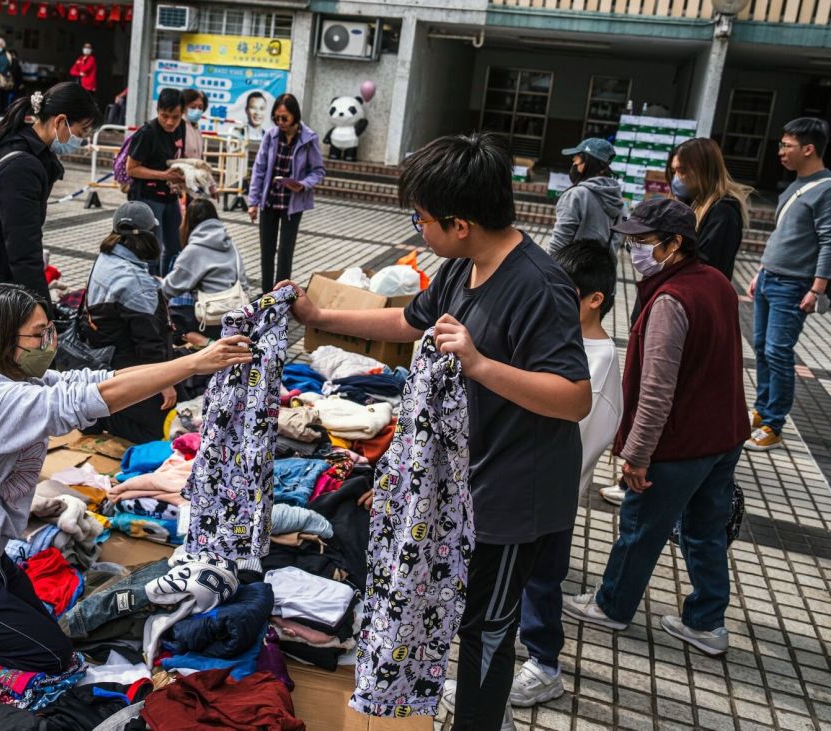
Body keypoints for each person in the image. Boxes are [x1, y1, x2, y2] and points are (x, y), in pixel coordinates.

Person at [287, 132, 591, 730]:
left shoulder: (540, 285)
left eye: (421, 219)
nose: (417, 230)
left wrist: (479, 364)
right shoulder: (461, 268)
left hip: (514, 496)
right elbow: (409, 322)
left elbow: (575, 397)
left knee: (487, 629)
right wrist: (317, 316)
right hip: (463, 484)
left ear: (460, 223)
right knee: (459, 613)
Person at [0, 282, 253, 693]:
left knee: (52, 634)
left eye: (49, 330)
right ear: (1, 340)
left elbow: (95, 381)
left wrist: (177, 368)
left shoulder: (15, 376)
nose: (49, 342)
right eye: (38, 335)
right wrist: (193, 365)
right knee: (53, 659)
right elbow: (87, 402)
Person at [564, 198, 749, 658]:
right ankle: (707, 623)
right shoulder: (716, 282)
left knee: (640, 526)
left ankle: (611, 605)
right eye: (631, 241)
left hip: (681, 443)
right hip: (724, 434)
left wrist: (638, 454)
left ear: (674, 244)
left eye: (643, 242)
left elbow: (656, 390)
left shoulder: (671, 299)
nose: (634, 251)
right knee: (705, 530)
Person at [510, 239, 623, 708]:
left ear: (595, 299)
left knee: (540, 580)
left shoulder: (601, 361)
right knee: (520, 578)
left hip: (549, 493)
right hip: (522, 482)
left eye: (563, 293)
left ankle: (544, 666)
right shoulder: (560, 337)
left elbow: (582, 437)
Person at [0, 83, 99, 331]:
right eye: (81, 131)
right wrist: (45, 314)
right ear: (60, 121)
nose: (82, 141)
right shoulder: (22, 166)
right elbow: (23, 251)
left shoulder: (19, 143)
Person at [747, 117, 831, 451]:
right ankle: (762, 409)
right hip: (770, 277)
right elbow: (783, 235)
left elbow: (829, 241)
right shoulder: (794, 184)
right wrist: (760, 270)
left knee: (778, 352)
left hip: (794, 285)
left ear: (808, 149)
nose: (780, 151)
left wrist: (817, 288)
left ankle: (774, 424)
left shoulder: (825, 189)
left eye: (787, 145)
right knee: (762, 348)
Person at [84, 202, 177, 443]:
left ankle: (101, 410)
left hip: (105, 356)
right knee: (164, 430)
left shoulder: (107, 257)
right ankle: (101, 418)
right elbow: (148, 343)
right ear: (148, 235)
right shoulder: (135, 280)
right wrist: (164, 383)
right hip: (126, 366)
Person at [248, 94, 325, 292]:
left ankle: (280, 296)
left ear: (295, 116)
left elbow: (318, 171)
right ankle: (266, 294)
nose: (280, 122)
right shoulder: (271, 135)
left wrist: (303, 184)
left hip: (292, 204)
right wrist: (253, 201)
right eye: (277, 118)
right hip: (269, 201)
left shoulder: (308, 138)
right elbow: (259, 169)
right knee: (267, 251)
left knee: (285, 252)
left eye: (285, 118)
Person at [162, 197, 248, 343]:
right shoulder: (229, 243)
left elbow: (169, 289)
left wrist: (156, 283)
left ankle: (205, 343)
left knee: (173, 315)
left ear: (189, 221)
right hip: (236, 314)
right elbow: (243, 282)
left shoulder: (193, 250)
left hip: (209, 318)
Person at [667, 137, 750, 280]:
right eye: (674, 171)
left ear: (703, 170)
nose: (676, 178)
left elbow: (706, 266)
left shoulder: (723, 212)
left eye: (682, 171)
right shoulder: (689, 203)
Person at [125, 88, 186, 275]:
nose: (170, 122)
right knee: (152, 251)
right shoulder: (147, 133)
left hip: (170, 197)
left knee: (176, 246)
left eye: (175, 117)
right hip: (148, 198)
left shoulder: (181, 128)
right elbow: (131, 168)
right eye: (164, 116)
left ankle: (168, 286)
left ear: (182, 113)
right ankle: (148, 286)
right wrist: (164, 175)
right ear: (157, 110)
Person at [549, 137, 624, 254]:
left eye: (576, 159)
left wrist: (546, 264)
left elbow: (559, 242)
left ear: (588, 161)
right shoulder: (618, 198)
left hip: (572, 264)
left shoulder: (576, 195)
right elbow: (616, 241)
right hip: (603, 265)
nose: (574, 163)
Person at [0, 37, 21, 116]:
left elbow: (14, 63)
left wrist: (10, 71)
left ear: (3, 45)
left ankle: (3, 113)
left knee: (4, 97)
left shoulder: (7, 54)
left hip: (5, 79)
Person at [181, 88, 206, 161]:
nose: (197, 110)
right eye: (193, 107)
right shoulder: (179, 127)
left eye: (200, 107)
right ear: (183, 107)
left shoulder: (196, 128)